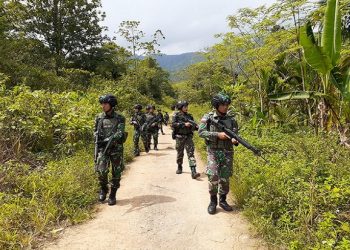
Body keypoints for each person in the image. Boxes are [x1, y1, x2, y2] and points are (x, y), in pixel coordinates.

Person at [198, 93, 239, 215]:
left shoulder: (232, 120)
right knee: (213, 176)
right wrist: (217, 135)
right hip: (213, 152)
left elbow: (235, 134)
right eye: (223, 105)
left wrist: (234, 139)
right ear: (216, 105)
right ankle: (213, 201)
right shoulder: (208, 117)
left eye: (227, 104)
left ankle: (223, 200)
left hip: (227, 152)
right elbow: (201, 132)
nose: (225, 107)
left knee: (225, 177)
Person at [94, 94, 126, 206]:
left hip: (116, 149)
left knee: (116, 172)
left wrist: (109, 139)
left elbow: (120, 132)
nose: (103, 106)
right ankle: (104, 189)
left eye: (105, 104)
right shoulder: (99, 117)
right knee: (101, 171)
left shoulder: (119, 118)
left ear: (111, 105)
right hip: (103, 148)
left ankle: (113, 194)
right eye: (102, 104)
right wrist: (97, 137)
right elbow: (96, 131)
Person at [171, 101, 200, 179]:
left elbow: (193, 127)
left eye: (187, 106)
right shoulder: (176, 115)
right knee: (180, 153)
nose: (186, 108)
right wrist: (184, 124)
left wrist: (197, 127)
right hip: (179, 137)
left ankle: (193, 171)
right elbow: (173, 124)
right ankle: (179, 166)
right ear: (180, 107)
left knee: (191, 153)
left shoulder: (190, 116)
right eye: (185, 107)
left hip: (188, 137)